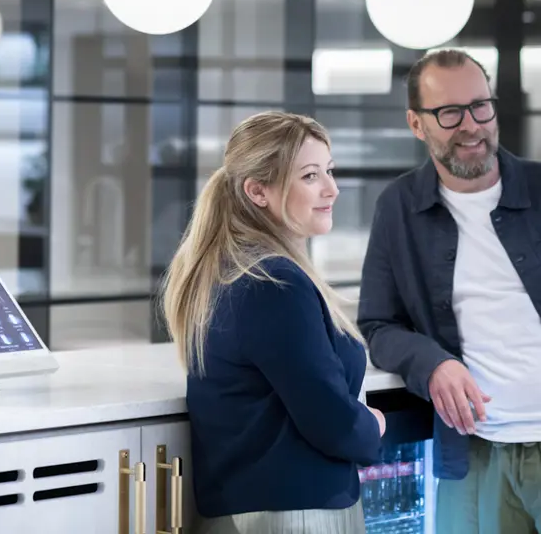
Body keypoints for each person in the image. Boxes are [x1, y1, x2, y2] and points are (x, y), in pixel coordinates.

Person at [162, 111, 385, 534]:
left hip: (252, 510)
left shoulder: (234, 270)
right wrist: (373, 425)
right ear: (257, 191)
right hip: (295, 515)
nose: (331, 189)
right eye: (310, 176)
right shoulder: (274, 282)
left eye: (329, 171)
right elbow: (331, 421)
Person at [358, 48, 541, 533]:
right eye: (449, 113)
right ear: (417, 124)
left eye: (481, 106)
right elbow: (378, 325)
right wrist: (433, 362)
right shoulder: (399, 207)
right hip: (473, 452)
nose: (471, 126)